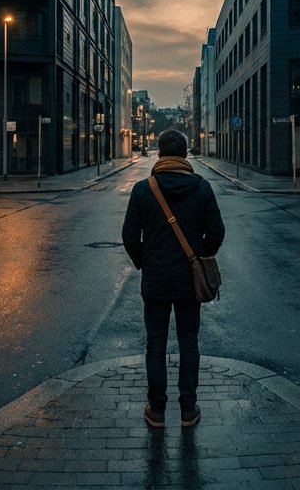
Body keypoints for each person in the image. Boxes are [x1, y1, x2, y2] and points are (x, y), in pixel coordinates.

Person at [121, 128, 225, 429]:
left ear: (160, 154)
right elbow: (216, 232)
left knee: (155, 345)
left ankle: (156, 411)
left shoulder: (144, 189)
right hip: (189, 282)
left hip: (155, 280)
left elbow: (129, 235)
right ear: (186, 154)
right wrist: (197, 257)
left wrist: (145, 261)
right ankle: (188, 410)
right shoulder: (202, 188)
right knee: (188, 341)